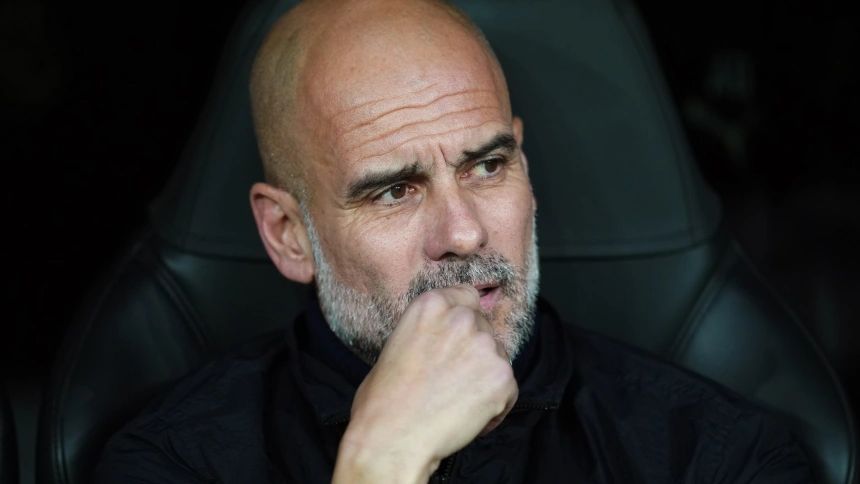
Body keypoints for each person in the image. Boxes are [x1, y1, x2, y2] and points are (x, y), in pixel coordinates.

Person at [92, 0, 812, 482]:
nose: (465, 233)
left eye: (488, 166)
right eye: (394, 191)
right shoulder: (175, 462)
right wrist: (381, 466)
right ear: (289, 236)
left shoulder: (715, 456)